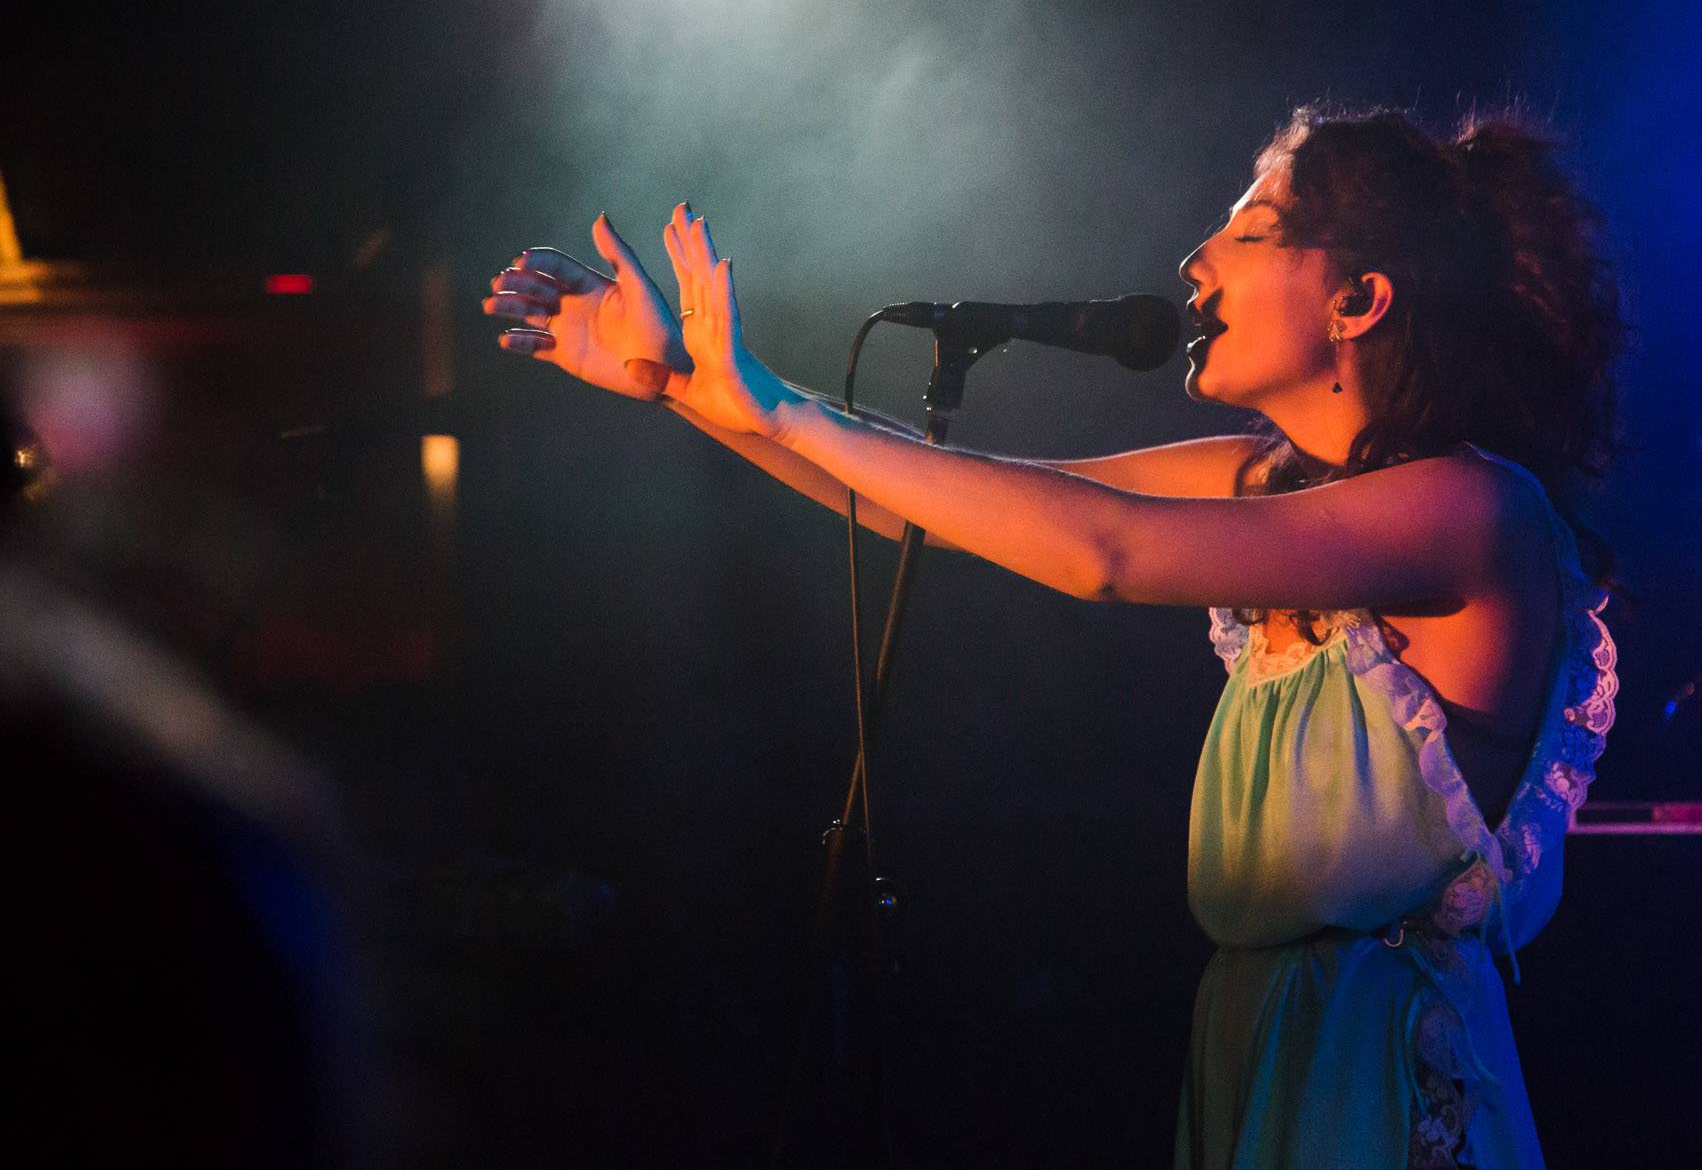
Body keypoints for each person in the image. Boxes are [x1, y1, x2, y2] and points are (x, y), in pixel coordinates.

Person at [484, 105, 1623, 1168]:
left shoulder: (1473, 510)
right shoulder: (1260, 481)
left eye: (1249, 231)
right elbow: (919, 505)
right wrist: (687, 384)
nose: (1194, 262)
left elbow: (1104, 550)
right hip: (1255, 1043)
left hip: (1378, 1079)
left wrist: (766, 400)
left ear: (1358, 299)